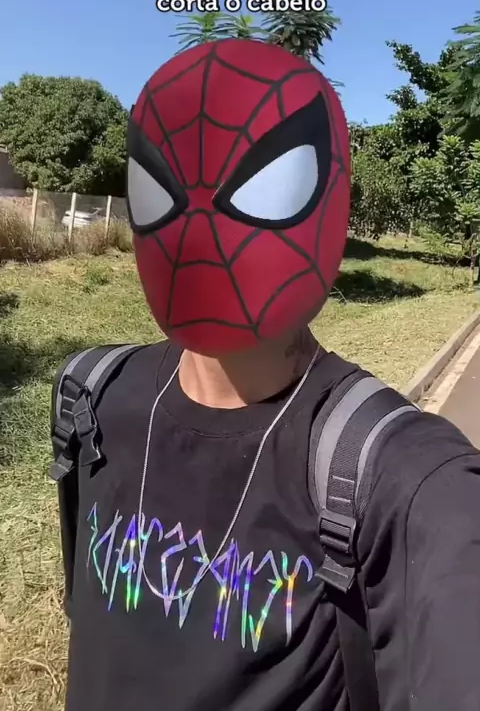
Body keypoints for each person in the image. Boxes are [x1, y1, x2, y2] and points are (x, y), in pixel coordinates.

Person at [51, 39, 480, 711]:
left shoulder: (409, 480)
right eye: (160, 188)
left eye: (267, 185)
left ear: (332, 196)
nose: (200, 226)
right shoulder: (91, 399)